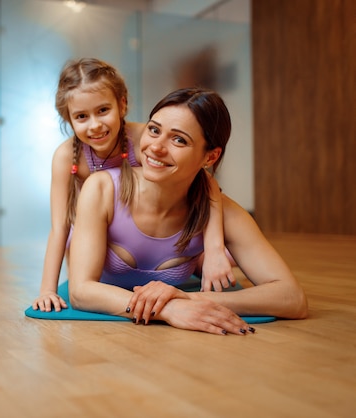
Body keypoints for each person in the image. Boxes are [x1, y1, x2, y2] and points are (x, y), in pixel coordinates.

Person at [68, 87, 308, 335]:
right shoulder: (101, 189)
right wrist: (168, 310)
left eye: (179, 139)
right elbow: (80, 291)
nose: (157, 147)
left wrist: (188, 300)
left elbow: (293, 299)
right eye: (154, 130)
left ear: (210, 157)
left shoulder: (224, 210)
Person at [32, 58, 235, 312]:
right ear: (69, 119)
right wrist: (48, 290)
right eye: (81, 116)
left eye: (103, 110)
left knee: (225, 258)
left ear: (122, 104)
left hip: (144, 227)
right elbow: (59, 226)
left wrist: (215, 248)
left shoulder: (142, 138)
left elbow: (207, 184)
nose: (95, 125)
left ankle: (190, 263)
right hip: (98, 235)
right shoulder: (66, 156)